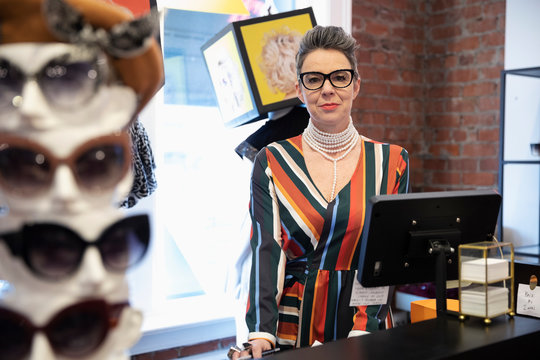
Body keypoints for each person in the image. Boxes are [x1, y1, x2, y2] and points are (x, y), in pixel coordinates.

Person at [232, 25, 409, 359]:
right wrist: (261, 334)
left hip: (364, 325)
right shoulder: (272, 160)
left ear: (356, 86)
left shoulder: (392, 163)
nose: (327, 89)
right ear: (300, 90)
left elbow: (382, 263)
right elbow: (266, 253)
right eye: (314, 79)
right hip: (290, 329)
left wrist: (362, 332)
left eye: (339, 77)